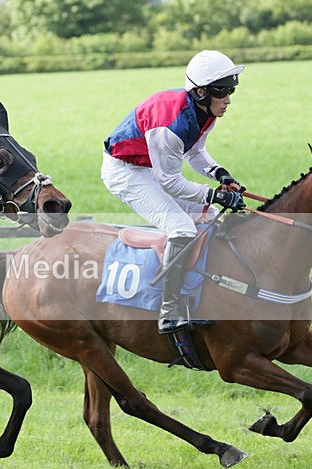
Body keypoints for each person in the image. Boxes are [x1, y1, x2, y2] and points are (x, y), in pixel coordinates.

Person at [101, 50, 247, 334]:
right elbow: (168, 181)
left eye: (231, 90)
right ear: (201, 92)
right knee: (181, 228)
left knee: (209, 217)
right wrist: (213, 194)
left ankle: (202, 293)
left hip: (151, 167)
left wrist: (220, 174)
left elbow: (195, 152)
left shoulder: (205, 110)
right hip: (124, 171)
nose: (228, 99)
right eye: (223, 91)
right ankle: (169, 312)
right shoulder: (169, 124)